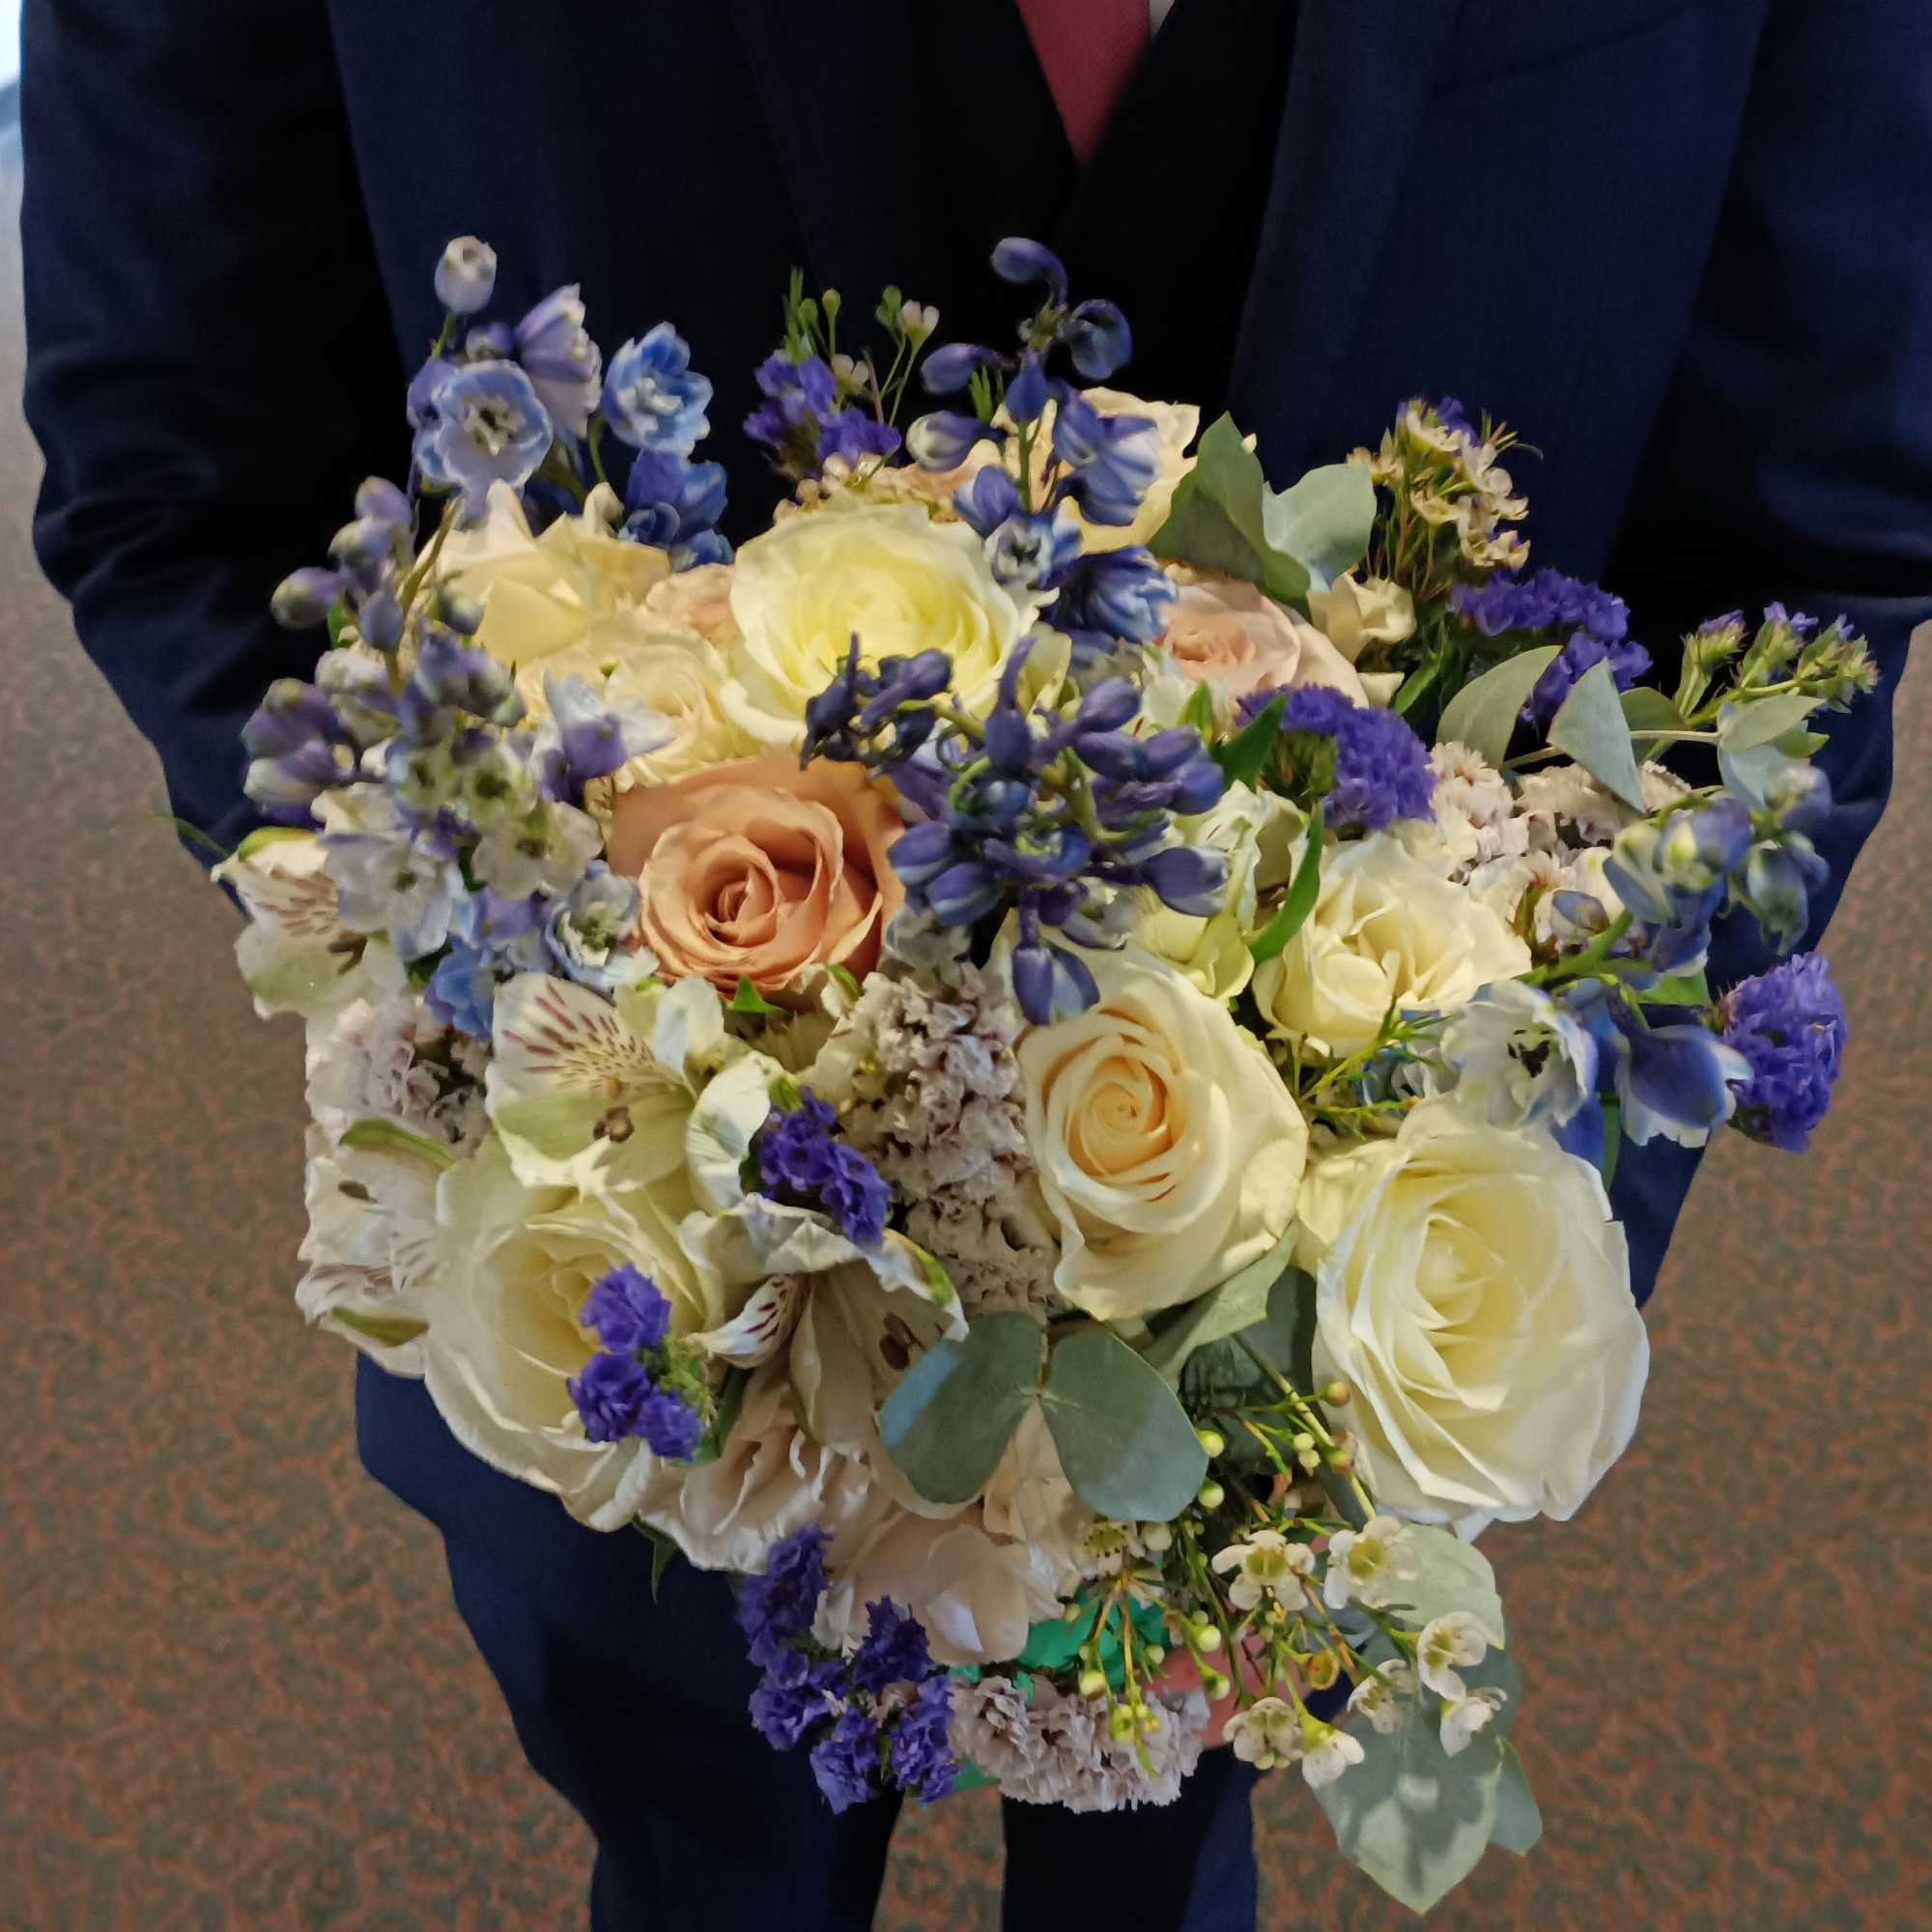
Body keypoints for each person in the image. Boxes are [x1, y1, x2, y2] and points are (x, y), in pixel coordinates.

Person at [20, 3, 1930, 1927]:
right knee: (704, 1828)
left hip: (1323, 1324)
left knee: (1163, 1830)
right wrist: (527, 990)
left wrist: (1488, 1162)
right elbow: (188, 465)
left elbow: (1803, 531)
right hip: (645, 1298)